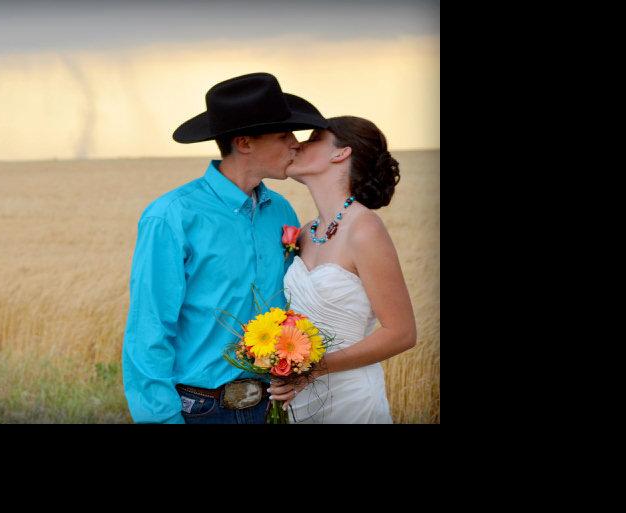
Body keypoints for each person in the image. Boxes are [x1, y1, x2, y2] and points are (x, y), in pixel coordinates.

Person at [122, 72, 328, 424]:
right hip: (201, 410)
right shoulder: (172, 216)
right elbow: (150, 329)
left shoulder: (281, 210)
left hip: (273, 406)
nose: (296, 143)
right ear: (244, 143)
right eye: (283, 135)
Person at [268, 116, 418, 423]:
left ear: (340, 153)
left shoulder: (365, 229)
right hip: (298, 400)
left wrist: (314, 369)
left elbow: (402, 333)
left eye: (312, 138)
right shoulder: (307, 231)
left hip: (351, 401)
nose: (297, 144)